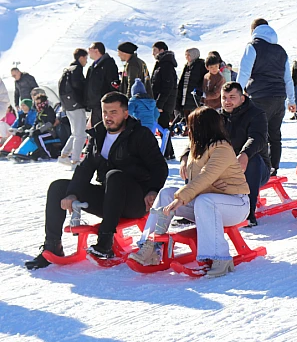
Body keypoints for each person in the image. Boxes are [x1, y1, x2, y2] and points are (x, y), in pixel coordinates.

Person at [24, 92, 168, 269]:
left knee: (114, 175)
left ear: (126, 113)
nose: (108, 117)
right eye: (105, 112)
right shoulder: (98, 134)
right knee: (58, 187)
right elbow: (85, 168)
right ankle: (53, 246)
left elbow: (159, 167)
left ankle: (105, 242)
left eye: (113, 112)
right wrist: (72, 194)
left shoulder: (140, 135)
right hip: (109, 200)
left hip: (136, 201)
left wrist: (153, 190)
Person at [128, 107, 250, 277]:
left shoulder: (222, 149)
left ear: (203, 127)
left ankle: (220, 258)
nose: (188, 129)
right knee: (166, 194)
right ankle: (151, 245)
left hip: (236, 204)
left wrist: (182, 198)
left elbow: (205, 177)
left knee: (204, 200)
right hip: (206, 203)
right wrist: (185, 161)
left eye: (191, 125)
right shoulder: (197, 148)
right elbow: (204, 182)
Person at [200, 82, 270, 228]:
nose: (227, 101)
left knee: (252, 159)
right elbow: (200, 138)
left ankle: (248, 213)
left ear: (242, 98)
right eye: (224, 98)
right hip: (226, 169)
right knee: (197, 159)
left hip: (256, 169)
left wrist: (244, 154)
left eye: (232, 97)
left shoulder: (256, 114)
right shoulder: (218, 117)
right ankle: (193, 206)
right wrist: (186, 156)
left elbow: (257, 138)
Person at [236, 18, 297, 175]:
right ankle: (273, 167)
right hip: (279, 97)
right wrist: (292, 100)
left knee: (257, 133)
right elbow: (288, 78)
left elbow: (244, 72)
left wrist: (236, 93)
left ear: (253, 30)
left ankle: (261, 170)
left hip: (260, 97)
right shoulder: (280, 50)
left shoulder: (252, 46)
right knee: (274, 134)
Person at [57, 48, 88, 167]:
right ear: (81, 57)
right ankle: (75, 161)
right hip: (77, 105)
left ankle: (64, 155)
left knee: (75, 133)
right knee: (81, 134)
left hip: (68, 106)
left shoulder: (67, 70)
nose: (86, 61)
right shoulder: (77, 69)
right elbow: (78, 86)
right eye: (85, 58)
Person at [151, 41, 178, 159]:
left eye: (155, 51)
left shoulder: (166, 65)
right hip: (162, 102)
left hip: (164, 104)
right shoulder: (161, 63)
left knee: (163, 127)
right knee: (162, 127)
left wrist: (160, 104)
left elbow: (167, 87)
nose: (153, 54)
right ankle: (168, 152)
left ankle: (167, 152)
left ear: (161, 50)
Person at [86, 42, 120, 127]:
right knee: (95, 130)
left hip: (105, 105)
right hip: (95, 105)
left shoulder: (108, 64)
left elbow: (113, 85)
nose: (88, 51)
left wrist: (110, 102)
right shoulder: (93, 67)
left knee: (104, 129)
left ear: (96, 50)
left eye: (90, 49)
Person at [176, 48, 208, 128]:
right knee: (186, 112)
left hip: (194, 94)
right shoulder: (187, 66)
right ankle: (188, 128)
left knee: (194, 114)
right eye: (186, 55)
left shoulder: (200, 65)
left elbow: (202, 80)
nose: (186, 57)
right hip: (185, 94)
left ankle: (193, 129)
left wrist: (198, 90)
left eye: (188, 55)